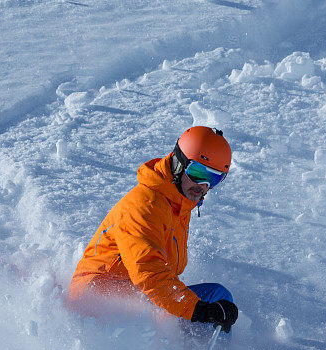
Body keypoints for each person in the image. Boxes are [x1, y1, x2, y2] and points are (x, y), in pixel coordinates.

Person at [69, 126, 238, 333]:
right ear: (179, 163)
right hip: (100, 303)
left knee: (218, 298)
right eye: (197, 172)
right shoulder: (144, 205)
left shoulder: (179, 202)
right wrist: (196, 309)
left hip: (137, 295)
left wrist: (198, 308)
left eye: (214, 178)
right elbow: (148, 269)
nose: (203, 185)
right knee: (209, 306)